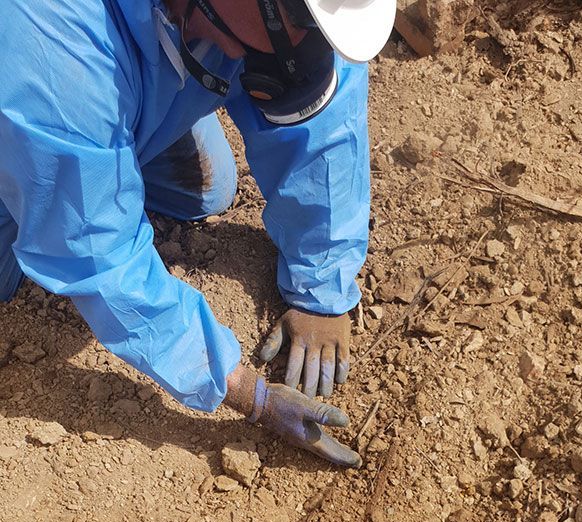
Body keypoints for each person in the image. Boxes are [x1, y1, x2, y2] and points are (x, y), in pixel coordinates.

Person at [0, 0, 395, 467]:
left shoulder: (274, 12)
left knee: (208, 189)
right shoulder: (48, 48)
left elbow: (324, 114)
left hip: (123, 71)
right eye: (304, 21)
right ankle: (86, 159)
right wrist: (251, 395)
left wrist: (322, 287)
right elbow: (97, 253)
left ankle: (110, 149)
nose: (312, 39)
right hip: (47, 91)